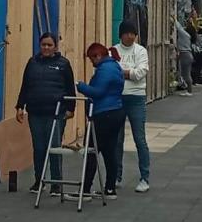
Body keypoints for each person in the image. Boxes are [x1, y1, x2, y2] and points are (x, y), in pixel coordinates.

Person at [15, 33, 76, 195]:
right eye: (43, 45)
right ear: (39, 45)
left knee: (54, 148)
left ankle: (56, 183)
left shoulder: (63, 64)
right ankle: (39, 181)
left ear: (55, 47)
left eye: (49, 45)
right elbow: (25, 86)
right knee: (39, 148)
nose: (46, 48)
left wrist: (71, 109)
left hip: (56, 113)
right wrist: (20, 106)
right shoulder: (32, 63)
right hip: (35, 113)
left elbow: (70, 88)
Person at [75, 43, 126, 199]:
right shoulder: (115, 67)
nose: (91, 62)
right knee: (110, 151)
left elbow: (98, 92)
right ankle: (110, 188)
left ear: (98, 56)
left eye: (92, 59)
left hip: (104, 114)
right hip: (116, 112)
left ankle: (85, 189)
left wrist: (81, 86)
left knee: (91, 151)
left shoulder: (105, 70)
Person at [113, 21, 151, 193]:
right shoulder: (113, 51)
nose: (130, 36)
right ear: (121, 34)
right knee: (116, 140)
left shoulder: (141, 51)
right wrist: (129, 73)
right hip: (117, 98)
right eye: (127, 33)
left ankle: (144, 177)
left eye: (133, 33)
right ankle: (116, 175)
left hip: (136, 97)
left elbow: (140, 73)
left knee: (139, 139)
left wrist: (122, 72)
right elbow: (110, 74)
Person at [176, 17, 194, 96]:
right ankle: (189, 90)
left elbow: (179, 28)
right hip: (187, 54)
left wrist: (174, 19)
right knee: (186, 73)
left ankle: (189, 91)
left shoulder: (185, 35)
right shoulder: (188, 36)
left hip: (185, 55)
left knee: (186, 74)